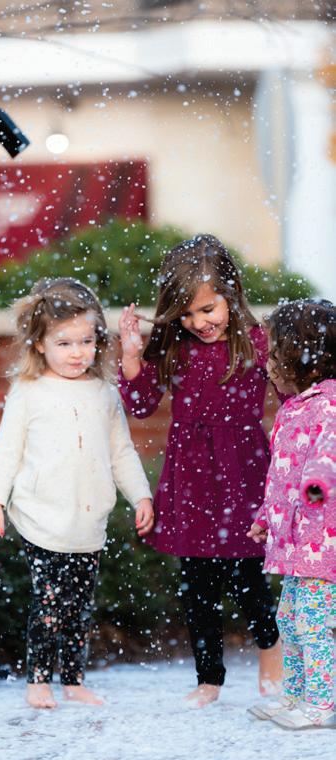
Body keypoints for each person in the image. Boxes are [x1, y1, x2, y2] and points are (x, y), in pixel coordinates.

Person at [118, 233, 282, 708]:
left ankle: (271, 648)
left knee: (247, 575)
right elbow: (142, 404)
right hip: (191, 474)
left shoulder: (257, 342)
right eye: (187, 314)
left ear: (232, 294)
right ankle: (209, 677)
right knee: (197, 583)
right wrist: (132, 356)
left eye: (208, 309)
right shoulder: (176, 346)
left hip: (243, 469)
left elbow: (292, 394)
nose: (199, 323)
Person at [0, 277, 154, 710]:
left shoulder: (105, 393)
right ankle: (38, 680)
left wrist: (141, 496)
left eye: (86, 341)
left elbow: (121, 452)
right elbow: (6, 452)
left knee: (78, 605)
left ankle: (74, 681)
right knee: (49, 601)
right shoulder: (29, 392)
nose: (77, 352)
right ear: (40, 344)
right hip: (41, 516)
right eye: (64, 343)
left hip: (87, 519)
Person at [247, 300, 336, 730]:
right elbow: (280, 476)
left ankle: (321, 703)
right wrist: (267, 516)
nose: (267, 364)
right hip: (296, 540)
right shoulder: (293, 408)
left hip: (324, 539)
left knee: (313, 622)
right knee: (288, 619)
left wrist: (317, 485)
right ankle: (296, 695)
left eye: (275, 354)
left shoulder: (330, 404)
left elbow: (327, 456)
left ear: (304, 358)